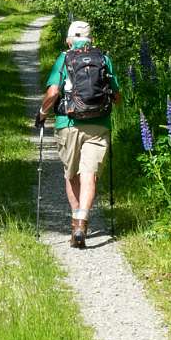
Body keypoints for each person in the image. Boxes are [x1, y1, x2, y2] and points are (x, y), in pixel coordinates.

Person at [36, 20, 121, 248]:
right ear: (91, 40)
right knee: (89, 175)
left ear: (69, 40)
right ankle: (82, 221)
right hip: (99, 125)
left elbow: (53, 92)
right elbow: (117, 97)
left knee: (72, 174)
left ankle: (76, 224)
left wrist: (42, 113)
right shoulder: (104, 59)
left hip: (69, 123)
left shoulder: (64, 58)